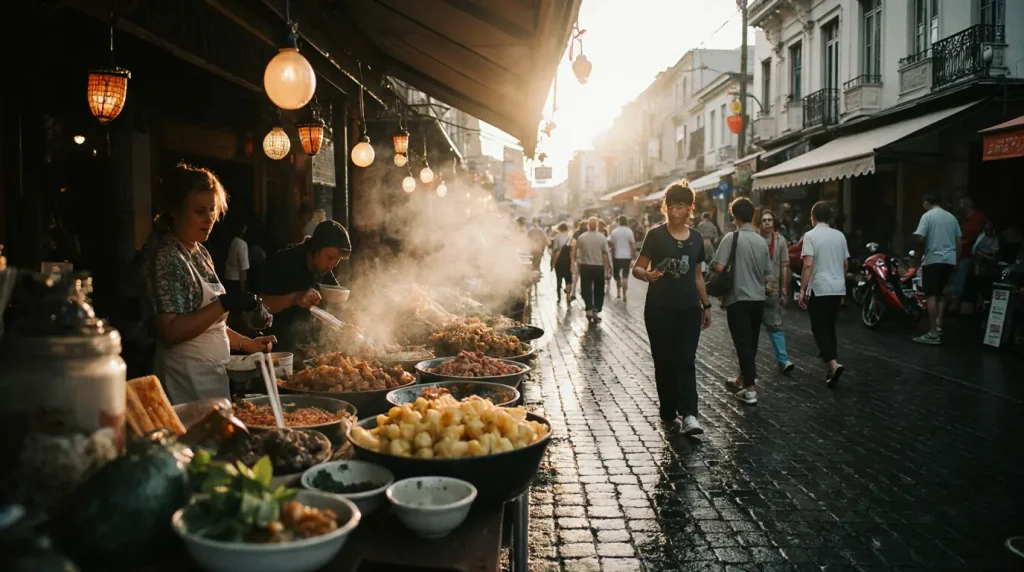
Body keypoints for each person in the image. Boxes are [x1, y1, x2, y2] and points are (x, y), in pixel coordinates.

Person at [140, 163, 274, 404]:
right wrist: (224, 303)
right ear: (175, 211)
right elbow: (170, 331)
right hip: (184, 381)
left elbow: (211, 324)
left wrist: (248, 344)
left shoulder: (200, 251)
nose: (209, 218)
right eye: (199, 211)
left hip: (211, 377)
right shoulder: (167, 257)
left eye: (212, 210)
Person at [633, 183, 712, 434]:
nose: (674, 212)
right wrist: (647, 275)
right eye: (671, 207)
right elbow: (637, 267)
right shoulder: (655, 235)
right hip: (659, 309)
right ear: (665, 208)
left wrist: (706, 305)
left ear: (689, 208)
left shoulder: (696, 238)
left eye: (680, 207)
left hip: (689, 309)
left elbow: (698, 276)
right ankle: (668, 409)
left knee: (686, 360)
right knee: (664, 360)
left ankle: (690, 415)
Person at [259, 220, 352, 353]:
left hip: (309, 347)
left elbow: (336, 306)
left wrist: (349, 320)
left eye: (337, 260)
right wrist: (295, 298)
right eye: (330, 257)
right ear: (315, 247)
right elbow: (261, 304)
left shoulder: (324, 268)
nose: (332, 265)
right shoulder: (283, 261)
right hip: (279, 348)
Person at [712, 197, 770, 405]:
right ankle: (742, 378)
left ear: (734, 216)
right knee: (751, 342)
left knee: (742, 342)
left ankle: (750, 390)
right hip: (758, 298)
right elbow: (766, 274)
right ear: (753, 216)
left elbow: (719, 267)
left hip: (738, 297)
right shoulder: (762, 241)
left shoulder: (731, 238)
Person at [798, 201, 850, 386]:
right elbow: (845, 264)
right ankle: (831, 366)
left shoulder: (810, 236)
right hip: (837, 288)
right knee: (829, 326)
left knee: (819, 328)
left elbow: (808, 265)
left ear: (812, 217)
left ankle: (833, 364)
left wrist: (802, 289)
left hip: (819, 288)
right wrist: (841, 285)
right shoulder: (840, 236)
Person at [911, 194, 961, 345]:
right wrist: (956, 260)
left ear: (926, 203)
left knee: (931, 295)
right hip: (950, 260)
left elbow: (920, 238)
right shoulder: (952, 218)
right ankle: (939, 325)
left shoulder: (927, 216)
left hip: (933, 259)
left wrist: (918, 252)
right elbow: (959, 241)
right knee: (940, 294)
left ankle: (932, 333)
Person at [758, 209, 795, 373]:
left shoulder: (780, 241)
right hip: (754, 288)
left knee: (776, 325)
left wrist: (784, 289)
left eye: (769, 220)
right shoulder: (755, 239)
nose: (767, 222)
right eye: (764, 220)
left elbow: (784, 266)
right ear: (759, 223)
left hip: (772, 289)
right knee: (751, 328)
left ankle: (783, 360)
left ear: (774, 223)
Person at [575, 217, 612, 323]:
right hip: (598, 266)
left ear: (588, 225)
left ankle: (589, 309)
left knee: (586, 288)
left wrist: (577, 262)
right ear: (596, 225)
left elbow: (576, 250)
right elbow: (605, 254)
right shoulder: (602, 237)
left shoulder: (582, 237)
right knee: (599, 289)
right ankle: (596, 310)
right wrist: (608, 267)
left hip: (585, 266)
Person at [952, 197, 984, 313]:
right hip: (963, 253)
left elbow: (970, 235)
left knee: (960, 278)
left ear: (968, 206)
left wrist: (962, 240)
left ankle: (955, 304)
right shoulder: (965, 219)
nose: (959, 209)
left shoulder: (977, 218)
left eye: (961, 207)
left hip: (970, 254)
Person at [609, 215, 636, 301]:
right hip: (627, 256)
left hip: (617, 256)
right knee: (625, 276)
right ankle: (624, 295)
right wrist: (634, 255)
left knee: (616, 275)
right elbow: (633, 245)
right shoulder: (629, 231)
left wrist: (612, 254)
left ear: (618, 222)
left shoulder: (614, 231)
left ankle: (618, 292)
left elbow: (611, 245)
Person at [222, 218, 250, 294]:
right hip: (236, 281)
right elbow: (243, 269)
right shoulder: (242, 244)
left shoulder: (232, 241)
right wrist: (243, 288)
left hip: (227, 278)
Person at [551, 222, 574, 303]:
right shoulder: (570, 237)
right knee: (568, 279)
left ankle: (559, 297)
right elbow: (572, 251)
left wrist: (552, 263)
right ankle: (568, 295)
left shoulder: (556, 237)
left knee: (559, 279)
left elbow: (555, 251)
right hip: (568, 260)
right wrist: (572, 264)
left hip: (559, 261)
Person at [568, 220, 588, 303]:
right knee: (585, 276)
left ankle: (573, 292)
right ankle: (584, 292)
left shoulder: (576, 234)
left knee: (576, 276)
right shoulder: (588, 233)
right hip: (587, 258)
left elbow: (573, 245)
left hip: (578, 257)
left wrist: (574, 257)